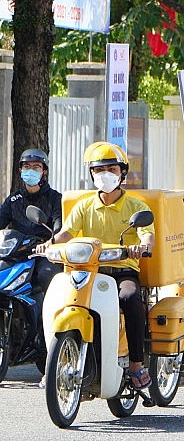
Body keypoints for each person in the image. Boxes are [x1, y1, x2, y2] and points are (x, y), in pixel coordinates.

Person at [39, 142, 155, 389]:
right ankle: (54, 363)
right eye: (98, 169)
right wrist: (48, 243)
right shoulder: (84, 205)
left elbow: (147, 235)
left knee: (131, 299)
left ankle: (136, 363)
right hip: (88, 271)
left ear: (122, 172)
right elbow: (66, 233)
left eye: (111, 169)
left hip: (122, 270)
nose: (105, 175)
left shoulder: (137, 207)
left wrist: (142, 246)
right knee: (59, 300)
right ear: (91, 174)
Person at [0, 149, 63, 293]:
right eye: (26, 167)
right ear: (20, 170)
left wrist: (48, 244)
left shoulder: (55, 198)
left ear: (44, 171)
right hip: (16, 253)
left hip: (43, 253)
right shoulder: (13, 200)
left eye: (36, 167)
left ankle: (51, 314)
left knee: (47, 274)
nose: (31, 171)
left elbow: (59, 228)